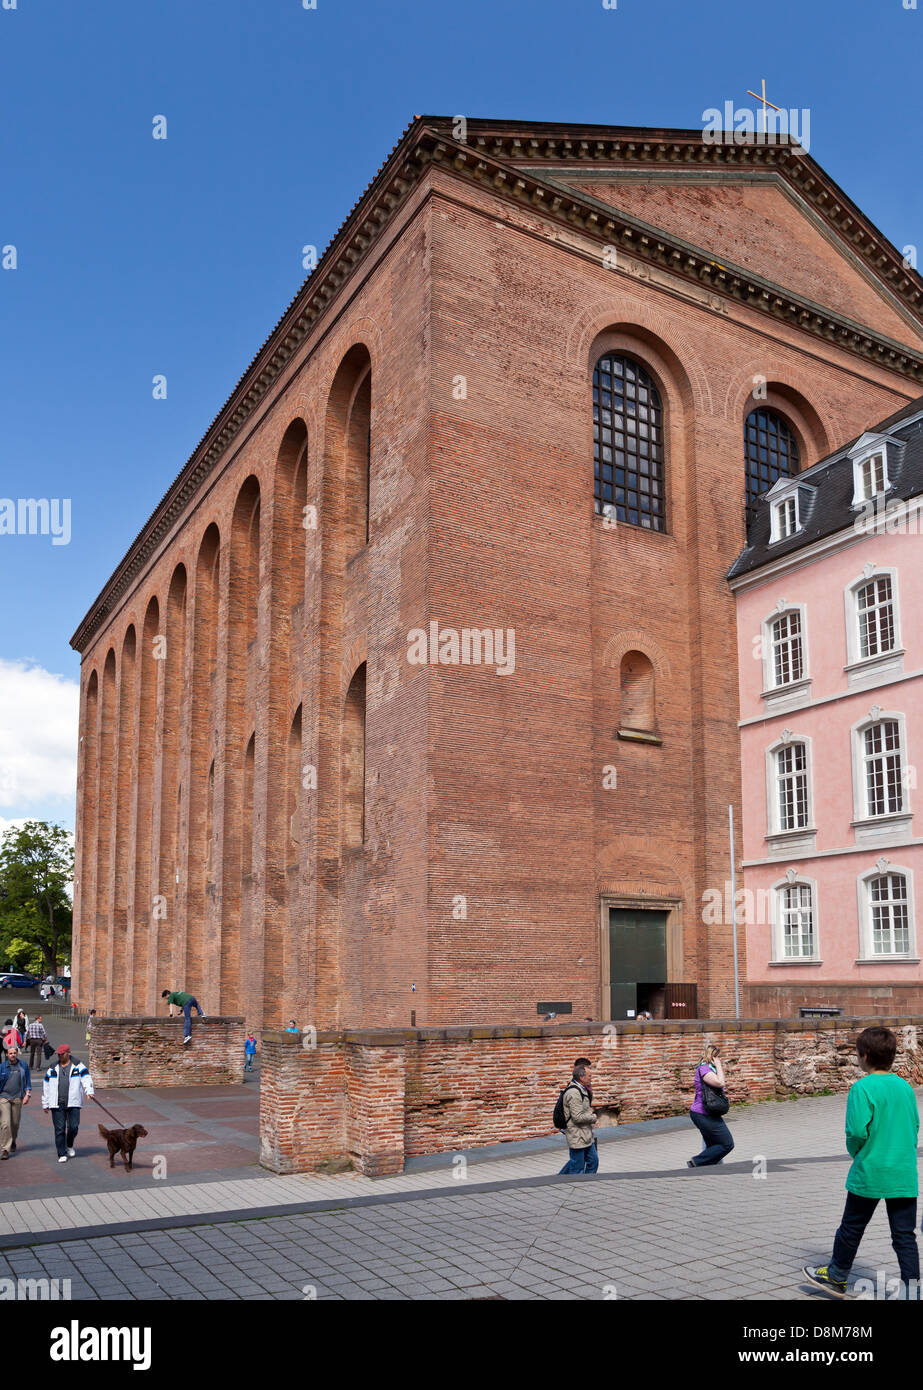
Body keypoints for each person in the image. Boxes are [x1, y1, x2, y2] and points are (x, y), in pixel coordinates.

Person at [803, 1026, 920, 1299]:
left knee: (852, 1227)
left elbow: (856, 1132)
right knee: (904, 1235)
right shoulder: (905, 1088)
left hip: (870, 1171)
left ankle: (836, 1276)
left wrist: (857, 1152)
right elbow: (914, 1126)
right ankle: (913, 1290)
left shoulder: (862, 1088)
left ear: (864, 1055)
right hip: (903, 1173)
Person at [42, 1044, 94, 1162]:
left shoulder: (78, 1065)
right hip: (57, 1103)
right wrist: (45, 1103)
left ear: (68, 1053)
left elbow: (86, 1078)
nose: (60, 1056)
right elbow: (46, 1085)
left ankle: (69, 1144)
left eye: (62, 1054)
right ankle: (62, 1154)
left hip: (73, 1102)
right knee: (59, 1129)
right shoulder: (52, 1067)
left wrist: (89, 1091)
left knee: (73, 1127)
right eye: (58, 1054)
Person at [688, 1043, 734, 1167]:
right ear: (713, 1057)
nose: (721, 1060)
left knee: (713, 1145)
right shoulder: (704, 1069)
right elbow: (720, 1083)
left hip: (709, 1113)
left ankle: (710, 1168)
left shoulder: (707, 1068)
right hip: (703, 1113)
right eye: (719, 1057)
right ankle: (696, 1162)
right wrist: (719, 1066)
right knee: (727, 1144)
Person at [558, 1060, 599, 1176]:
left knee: (593, 1162)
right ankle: (569, 1185)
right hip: (577, 1135)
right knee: (577, 1169)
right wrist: (593, 1117)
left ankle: (587, 1185)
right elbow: (577, 1117)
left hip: (585, 1135)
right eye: (589, 1076)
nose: (591, 1078)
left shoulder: (582, 1089)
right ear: (581, 1077)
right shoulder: (574, 1093)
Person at [0, 1045, 31, 1159]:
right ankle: (5, 1149)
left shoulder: (23, 1066)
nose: (13, 1055)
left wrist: (27, 1095)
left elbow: (28, 1081)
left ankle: (12, 1140)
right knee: (5, 1123)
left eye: (14, 1053)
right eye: (10, 1053)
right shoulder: (2, 1067)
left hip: (18, 1097)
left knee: (15, 1124)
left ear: (17, 1053)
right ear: (7, 1055)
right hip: (4, 1098)